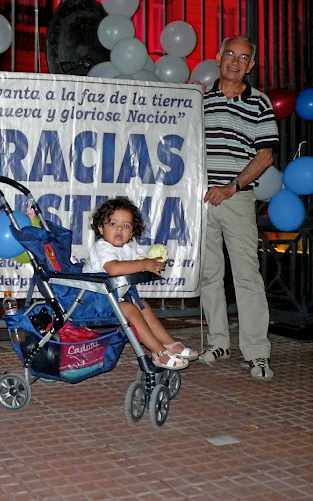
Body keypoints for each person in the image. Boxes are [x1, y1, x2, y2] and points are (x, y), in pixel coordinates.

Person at [199, 35, 279, 380]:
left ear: (251, 65)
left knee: (247, 276)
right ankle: (218, 341)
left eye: (243, 57)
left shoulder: (259, 103)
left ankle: (257, 352)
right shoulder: (198, 97)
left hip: (236, 198)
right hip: (200, 198)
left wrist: (232, 187)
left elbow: (265, 155)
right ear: (218, 57)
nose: (235, 61)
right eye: (229, 53)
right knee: (208, 274)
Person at [83, 197, 198, 370]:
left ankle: (168, 343)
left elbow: (141, 259)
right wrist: (144, 264)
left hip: (110, 299)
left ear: (132, 232)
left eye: (126, 226)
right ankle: (157, 352)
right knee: (130, 309)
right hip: (92, 302)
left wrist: (153, 262)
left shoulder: (128, 247)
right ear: (101, 227)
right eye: (113, 224)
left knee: (141, 305)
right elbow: (114, 269)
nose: (120, 229)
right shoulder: (102, 247)